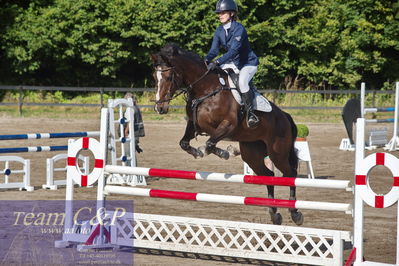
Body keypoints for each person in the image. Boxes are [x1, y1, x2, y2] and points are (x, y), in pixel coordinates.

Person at [205, 0, 260, 128]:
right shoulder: (219, 31)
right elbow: (214, 50)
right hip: (232, 63)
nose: (220, 15)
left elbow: (234, 51)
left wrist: (217, 62)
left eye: (223, 12)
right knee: (212, 76)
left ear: (231, 13)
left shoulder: (239, 29)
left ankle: (251, 114)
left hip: (247, 63)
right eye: (219, 13)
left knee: (242, 82)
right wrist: (206, 60)